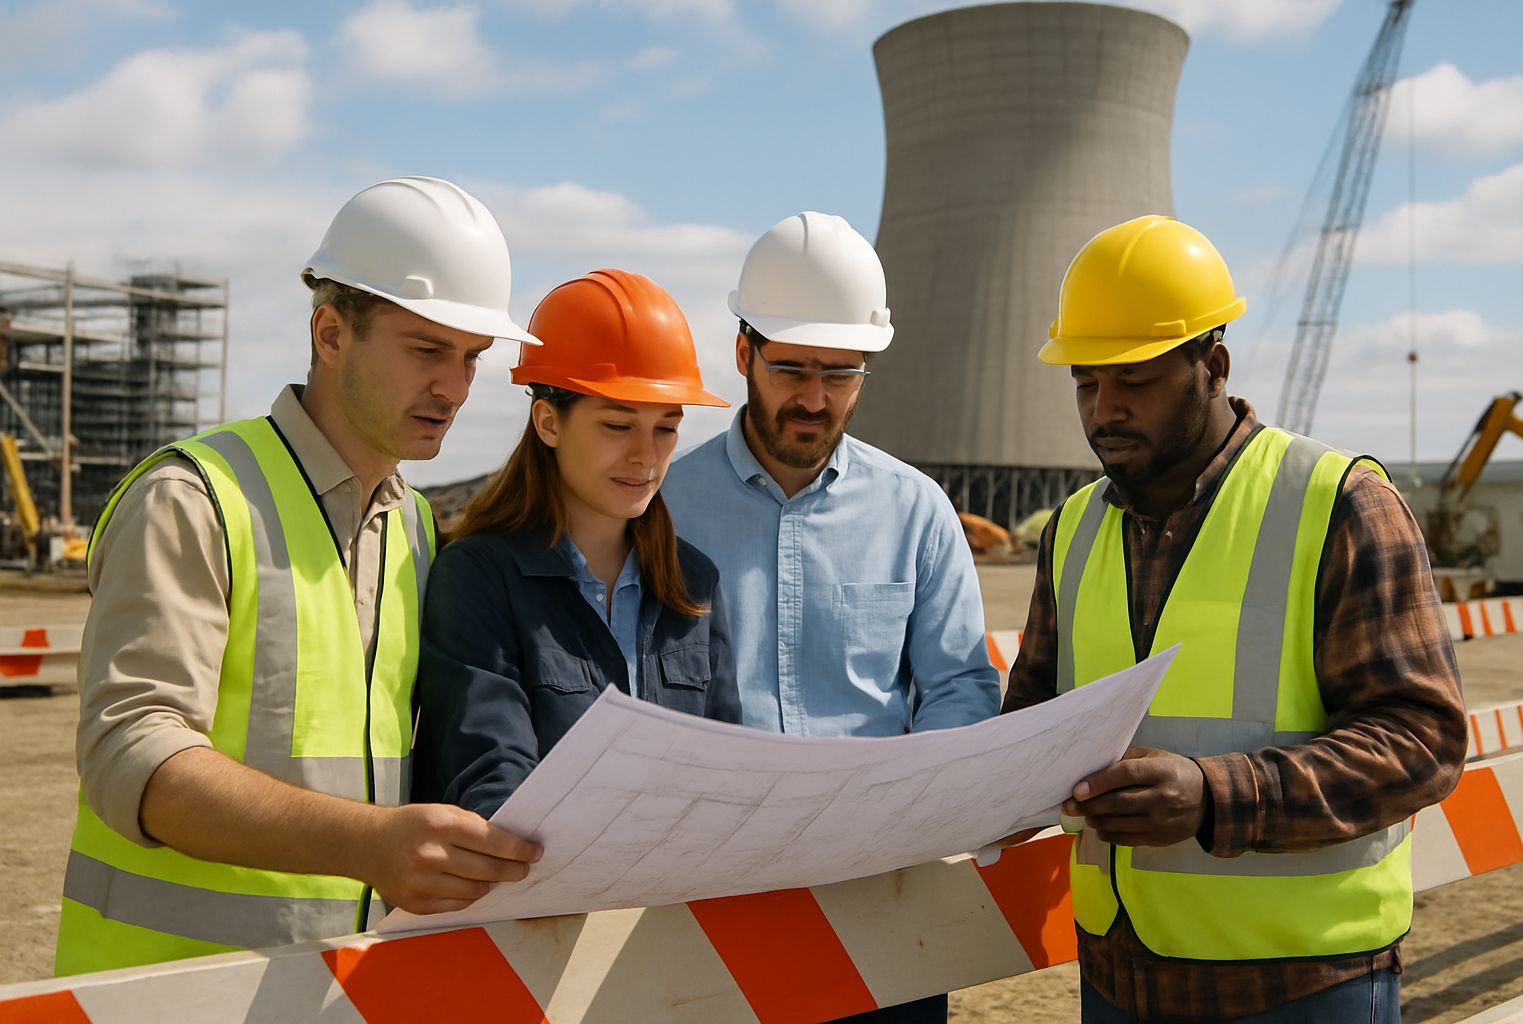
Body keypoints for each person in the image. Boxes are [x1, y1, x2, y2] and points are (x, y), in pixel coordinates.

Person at [57, 177, 544, 975]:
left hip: (339, 990)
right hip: (160, 991)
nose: (454, 388)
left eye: (471, 359)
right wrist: (372, 844)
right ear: (330, 334)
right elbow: (129, 752)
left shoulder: (414, 526)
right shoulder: (195, 497)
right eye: (426, 349)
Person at [1004, 215, 1467, 1023]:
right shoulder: (1072, 529)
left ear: (1211, 366)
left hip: (1303, 984)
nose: (1103, 409)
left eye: (1134, 380)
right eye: (1086, 381)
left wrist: (1218, 795)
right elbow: (1032, 719)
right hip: (1120, 973)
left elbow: (1422, 740)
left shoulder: (1338, 503)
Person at [664, 212, 999, 1024]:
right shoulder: (663, 506)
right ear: (744, 354)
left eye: (841, 374)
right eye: (792, 369)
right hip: (712, 905)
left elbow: (960, 685)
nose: (815, 399)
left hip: (883, 908)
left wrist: (912, 807)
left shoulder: (916, 511)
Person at [412, 269, 741, 818]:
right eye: (618, 425)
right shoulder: (478, 576)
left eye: (666, 428)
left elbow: (727, 767)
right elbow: (489, 776)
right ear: (548, 422)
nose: (646, 455)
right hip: (539, 897)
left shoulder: (694, 583)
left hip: (668, 900)